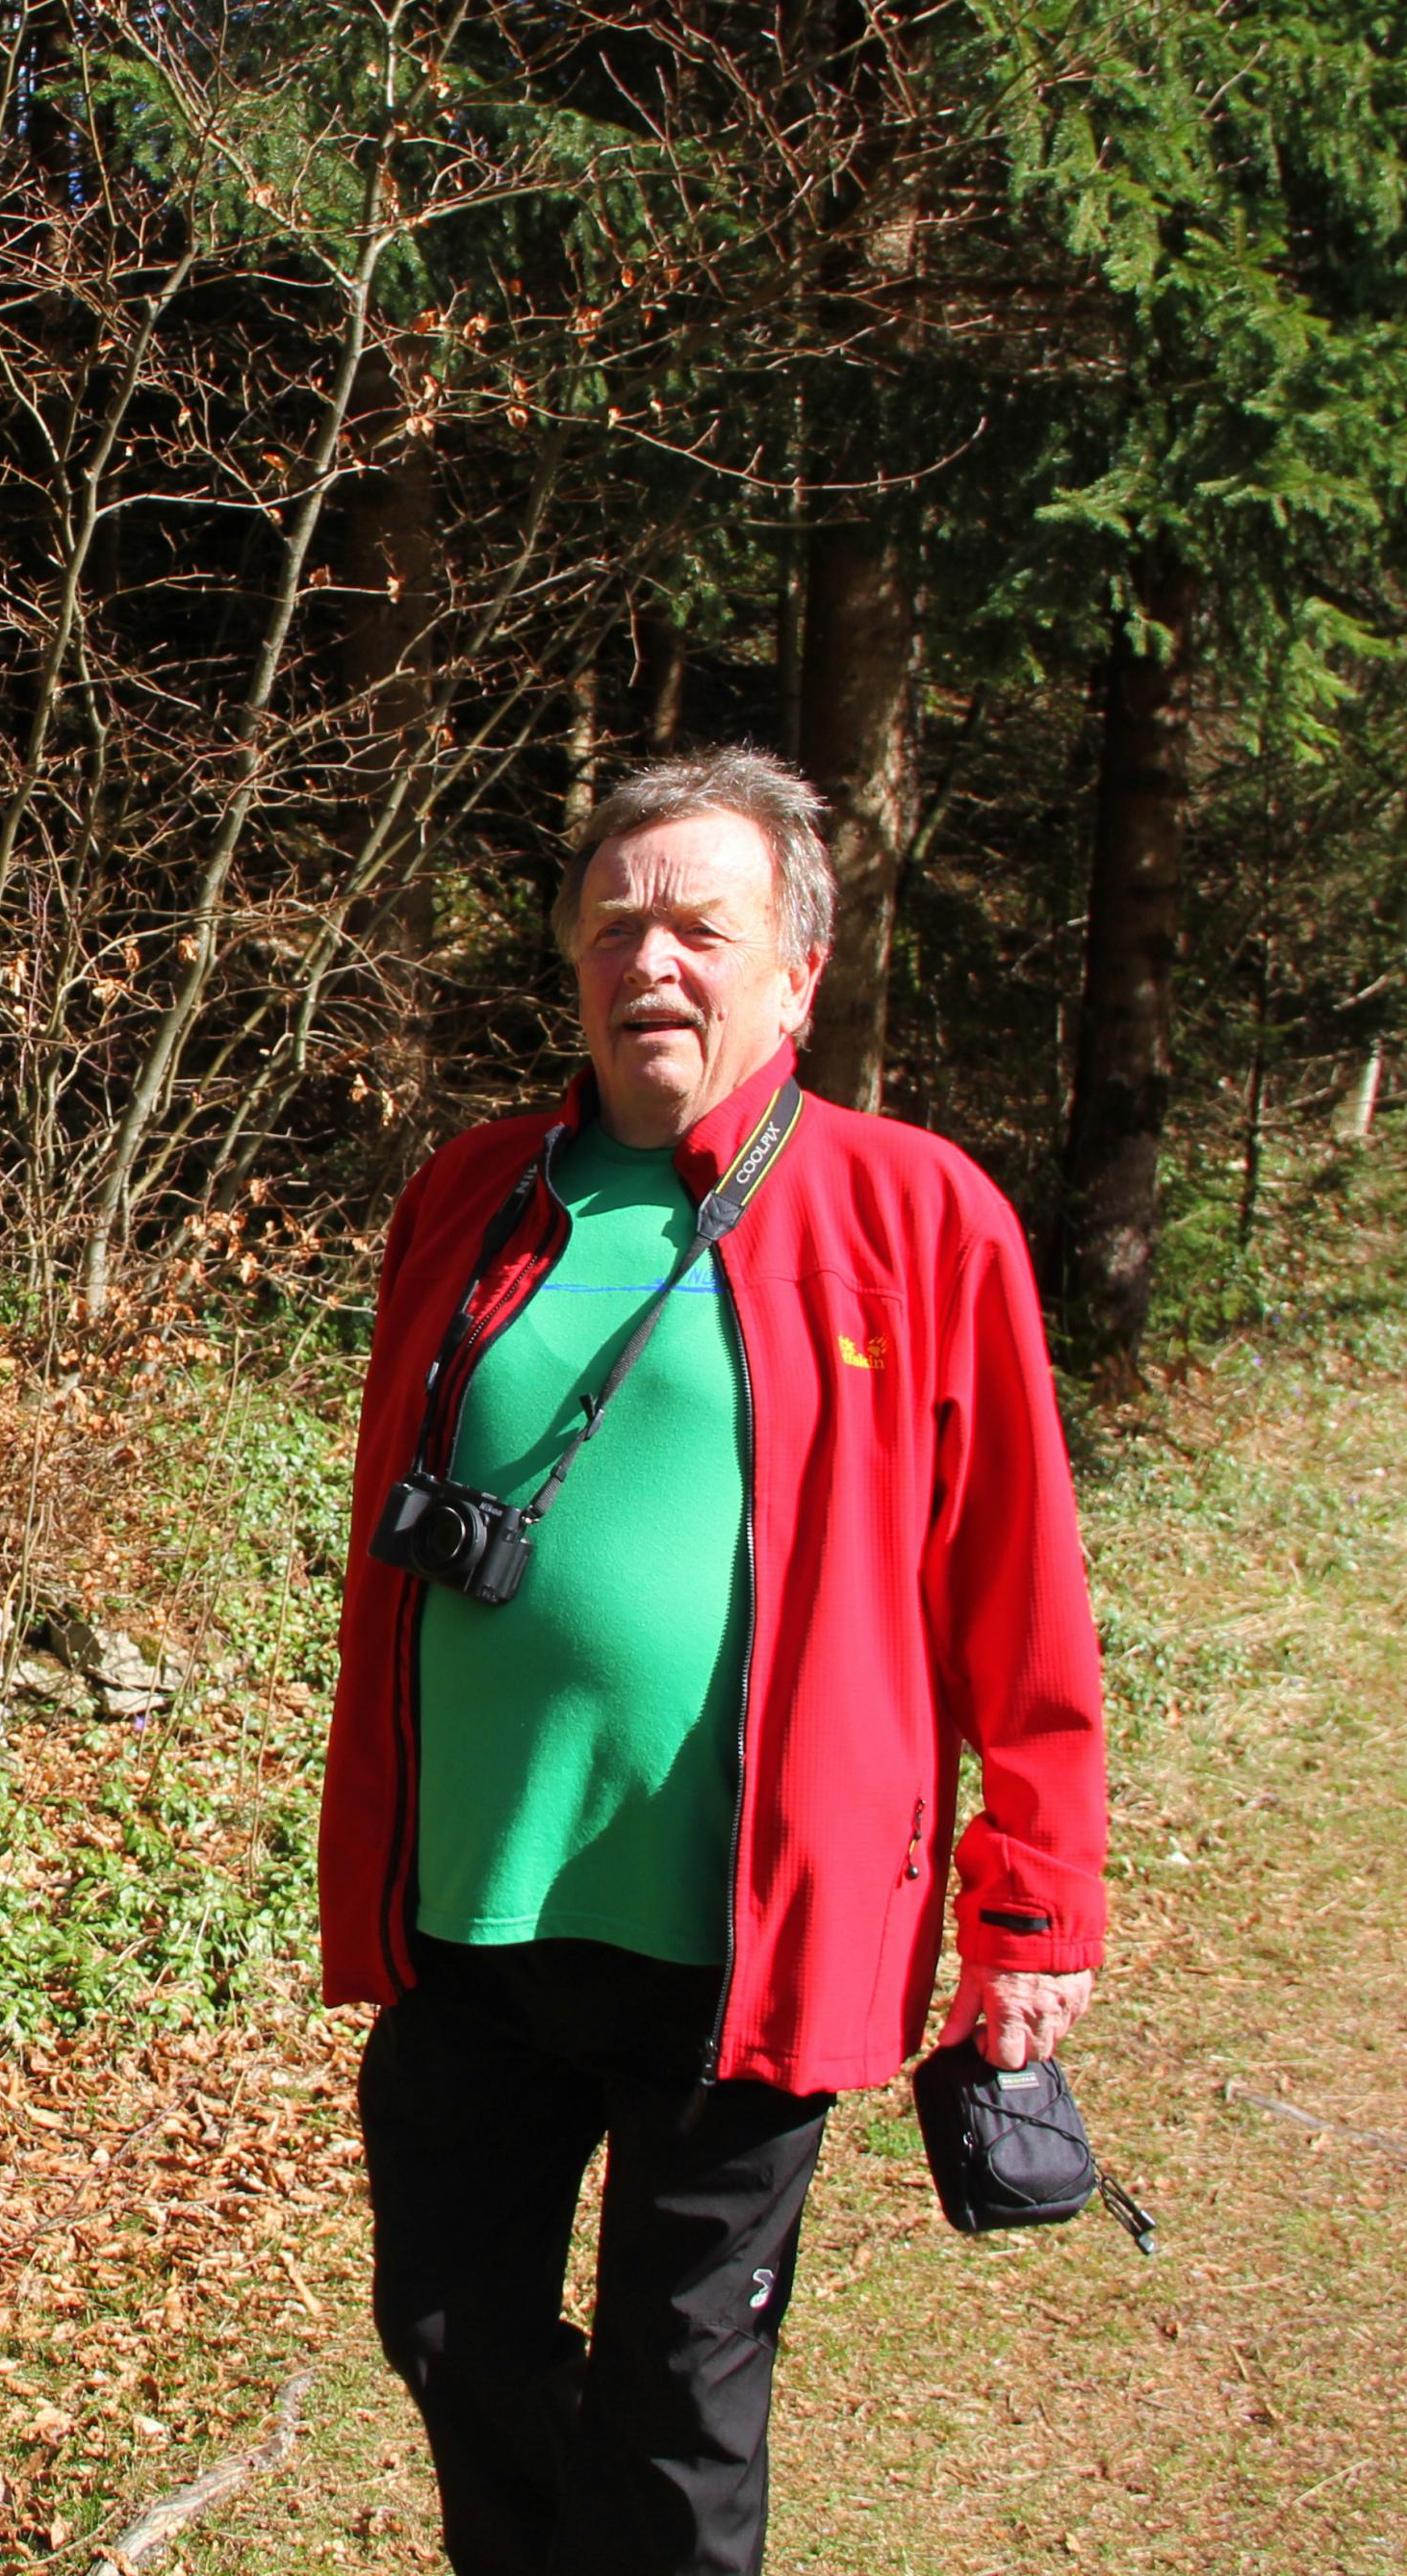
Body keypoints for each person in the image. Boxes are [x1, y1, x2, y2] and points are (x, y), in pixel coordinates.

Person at [319, 747, 1109, 2574]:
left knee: (680, 2412)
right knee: (449, 2334)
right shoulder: (469, 1193)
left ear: (798, 973)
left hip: (743, 1938)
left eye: (699, 926)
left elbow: (1018, 1581)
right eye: (614, 926)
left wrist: (1035, 1901)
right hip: (474, 1908)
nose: (649, 962)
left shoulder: (915, 1213)